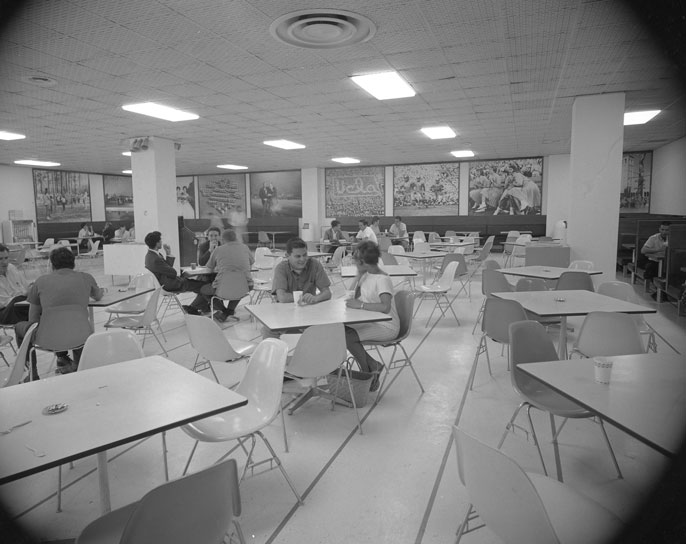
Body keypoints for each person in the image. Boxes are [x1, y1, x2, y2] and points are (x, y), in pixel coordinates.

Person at [15, 247, 104, 377]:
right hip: (82, 335)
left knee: (20, 327)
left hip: (47, 338)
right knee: (75, 328)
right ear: (73, 262)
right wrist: (101, 290)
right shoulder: (86, 278)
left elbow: (33, 319)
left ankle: (32, 373)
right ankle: (79, 367)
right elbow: (98, 296)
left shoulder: (41, 281)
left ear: (52, 264)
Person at [344, 241, 400, 392]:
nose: (353, 262)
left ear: (362, 262)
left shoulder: (382, 279)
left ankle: (366, 370)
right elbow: (350, 297)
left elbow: (385, 307)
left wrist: (361, 305)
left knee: (347, 337)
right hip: (372, 321)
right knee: (340, 330)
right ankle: (372, 366)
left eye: (355, 259)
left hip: (387, 325)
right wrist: (358, 275)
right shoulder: (366, 275)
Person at [263, 237, 332, 338]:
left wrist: (316, 298)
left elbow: (327, 293)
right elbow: (282, 297)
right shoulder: (281, 269)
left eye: (305, 255)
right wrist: (304, 297)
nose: (302, 259)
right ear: (287, 256)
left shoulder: (315, 265)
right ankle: (275, 353)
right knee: (268, 330)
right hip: (285, 313)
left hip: (309, 312)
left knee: (330, 328)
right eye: (297, 256)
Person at [144, 231, 210, 315]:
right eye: (160, 240)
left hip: (167, 282)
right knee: (204, 286)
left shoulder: (151, 255)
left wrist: (168, 254)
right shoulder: (155, 258)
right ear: (157, 243)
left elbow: (167, 269)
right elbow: (173, 272)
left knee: (200, 284)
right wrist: (171, 270)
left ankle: (199, 307)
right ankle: (195, 308)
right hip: (171, 284)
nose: (161, 242)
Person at [203, 230, 254, 322]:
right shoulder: (245, 248)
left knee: (204, 290)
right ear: (236, 238)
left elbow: (209, 269)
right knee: (237, 287)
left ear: (222, 239)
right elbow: (251, 263)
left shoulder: (218, 250)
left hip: (223, 287)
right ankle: (229, 311)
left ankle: (224, 312)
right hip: (246, 286)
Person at [0, 243, 30, 325]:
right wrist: (23, 295)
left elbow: (26, 287)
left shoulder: (11, 268)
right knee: (16, 302)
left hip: (21, 305)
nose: (4, 262)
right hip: (4, 312)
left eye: (6, 258)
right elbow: (4, 302)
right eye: (0, 259)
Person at [641, 221, 669, 294]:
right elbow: (643, 250)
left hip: (669, 261)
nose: (664, 232)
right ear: (659, 229)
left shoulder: (675, 238)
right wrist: (658, 250)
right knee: (651, 266)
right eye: (662, 229)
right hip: (655, 260)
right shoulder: (653, 238)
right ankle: (654, 288)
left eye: (667, 230)